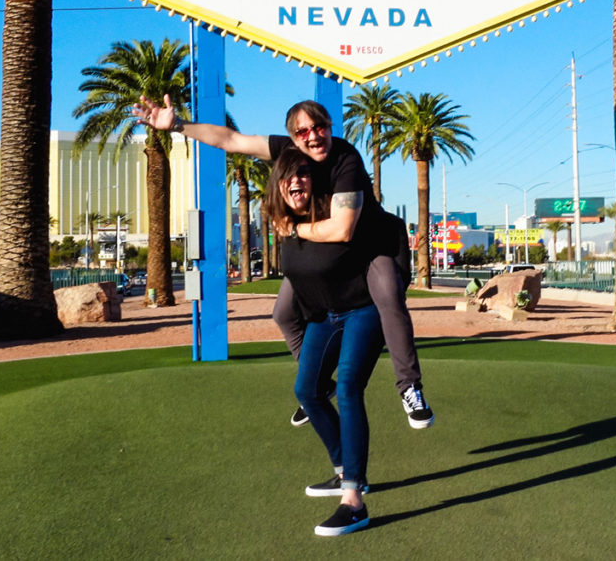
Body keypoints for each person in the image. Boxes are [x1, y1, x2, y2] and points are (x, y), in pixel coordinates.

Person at [133, 94, 434, 429]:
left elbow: (344, 229)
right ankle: (319, 383)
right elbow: (231, 140)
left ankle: (410, 387)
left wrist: (292, 228)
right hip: (329, 253)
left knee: (389, 296)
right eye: (303, 131)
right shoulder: (287, 153)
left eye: (319, 127)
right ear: (293, 138)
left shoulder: (345, 158)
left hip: (371, 246)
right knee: (283, 312)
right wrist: (177, 125)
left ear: (330, 128)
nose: (313, 136)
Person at [265, 148, 382, 536]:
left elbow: (347, 228)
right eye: (287, 176)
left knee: (347, 388)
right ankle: (342, 469)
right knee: (308, 390)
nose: (296, 180)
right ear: (277, 187)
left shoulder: (331, 213)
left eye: (303, 173)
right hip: (325, 317)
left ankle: (354, 500)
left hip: (364, 310)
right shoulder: (281, 227)